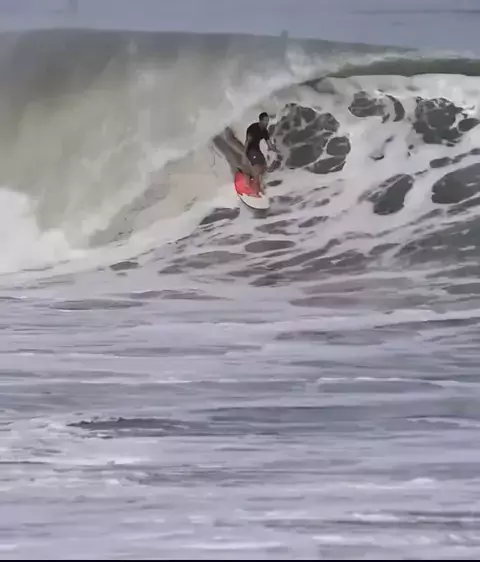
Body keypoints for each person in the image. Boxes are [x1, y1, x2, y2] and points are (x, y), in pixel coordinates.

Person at [243, 112, 279, 193]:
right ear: (260, 120)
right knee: (257, 169)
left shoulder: (264, 131)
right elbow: (247, 143)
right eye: (265, 120)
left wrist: (278, 151)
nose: (267, 122)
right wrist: (244, 155)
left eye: (268, 120)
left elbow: (270, 145)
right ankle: (252, 189)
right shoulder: (253, 128)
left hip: (256, 149)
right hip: (250, 149)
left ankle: (258, 185)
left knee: (263, 165)